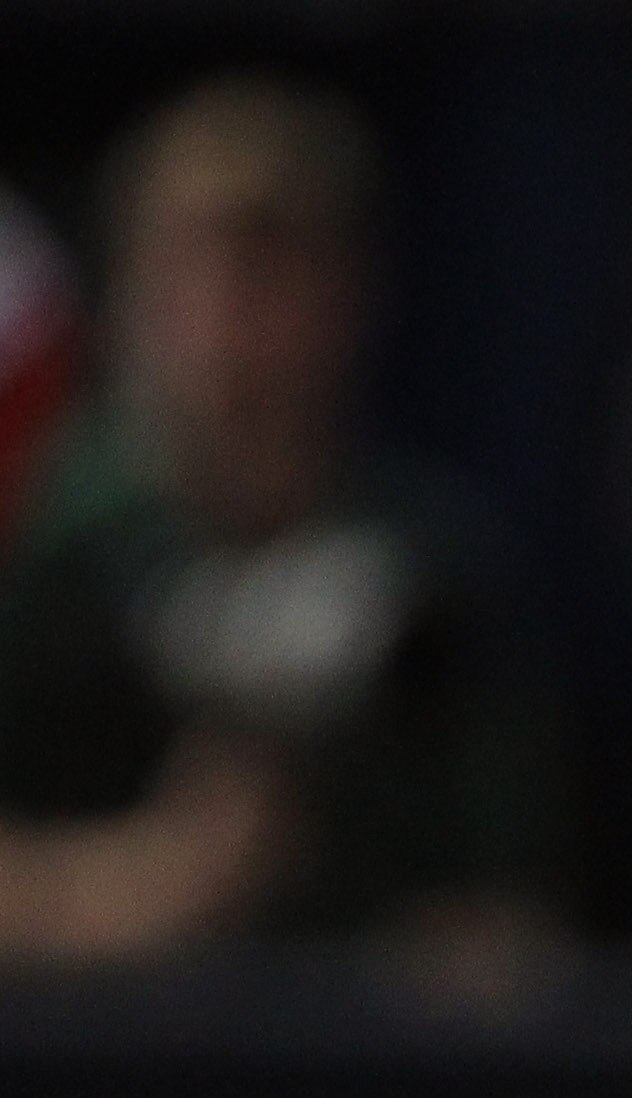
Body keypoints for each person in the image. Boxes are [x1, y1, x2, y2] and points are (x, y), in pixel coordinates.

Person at [0, 76, 560, 970]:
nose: (227, 327)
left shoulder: (433, 566)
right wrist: (139, 886)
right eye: (190, 271)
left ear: (348, 298)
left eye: (270, 274)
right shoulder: (35, 541)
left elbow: (509, 910)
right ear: (125, 293)